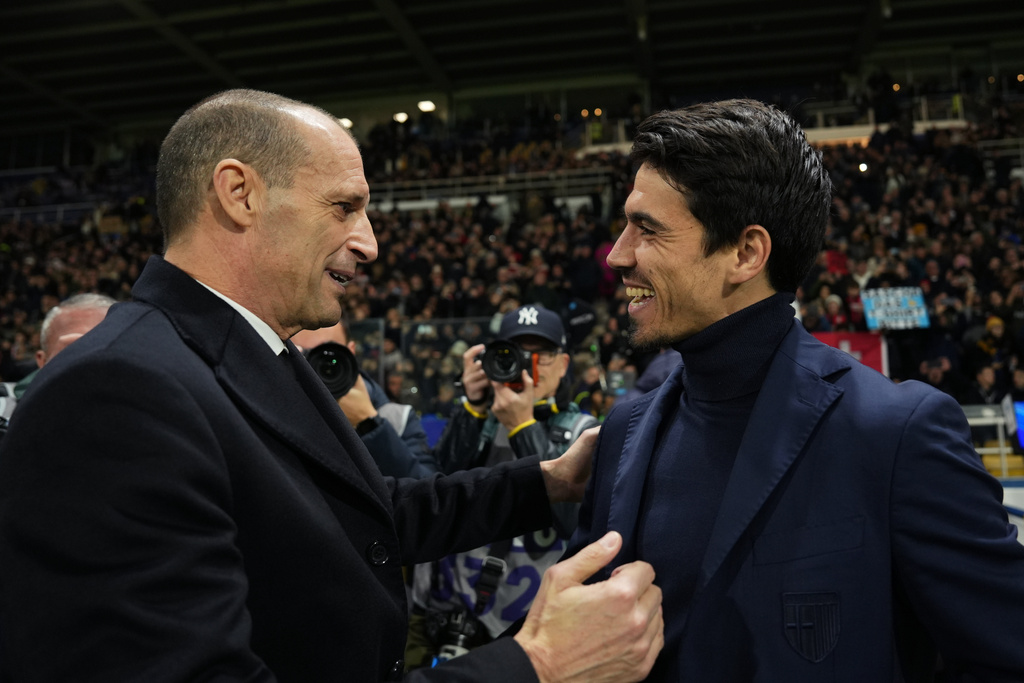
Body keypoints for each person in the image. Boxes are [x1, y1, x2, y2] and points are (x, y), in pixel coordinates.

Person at [0, 89, 664, 683]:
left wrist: (549, 480)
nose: (370, 243)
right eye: (345, 206)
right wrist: (536, 663)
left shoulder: (258, 354)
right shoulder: (117, 392)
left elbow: (371, 516)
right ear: (240, 194)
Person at [565, 99, 1024, 681]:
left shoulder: (896, 433)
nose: (617, 254)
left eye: (648, 229)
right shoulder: (622, 432)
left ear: (746, 253)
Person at [406, 304, 599, 669]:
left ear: (564, 364)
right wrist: (472, 406)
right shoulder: (478, 418)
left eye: (542, 353)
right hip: (444, 614)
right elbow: (433, 491)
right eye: (517, 353)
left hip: (525, 624)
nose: (531, 365)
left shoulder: (582, 431)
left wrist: (523, 426)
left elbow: (572, 522)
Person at [292, 319, 438, 479]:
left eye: (329, 353)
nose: (317, 365)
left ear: (351, 351)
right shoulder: (281, 412)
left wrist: (368, 424)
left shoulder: (397, 418)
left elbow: (425, 490)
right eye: (303, 355)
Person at [12, 292, 116, 399]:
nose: (92, 359)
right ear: (42, 361)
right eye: (75, 349)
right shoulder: (7, 409)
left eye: (110, 347)